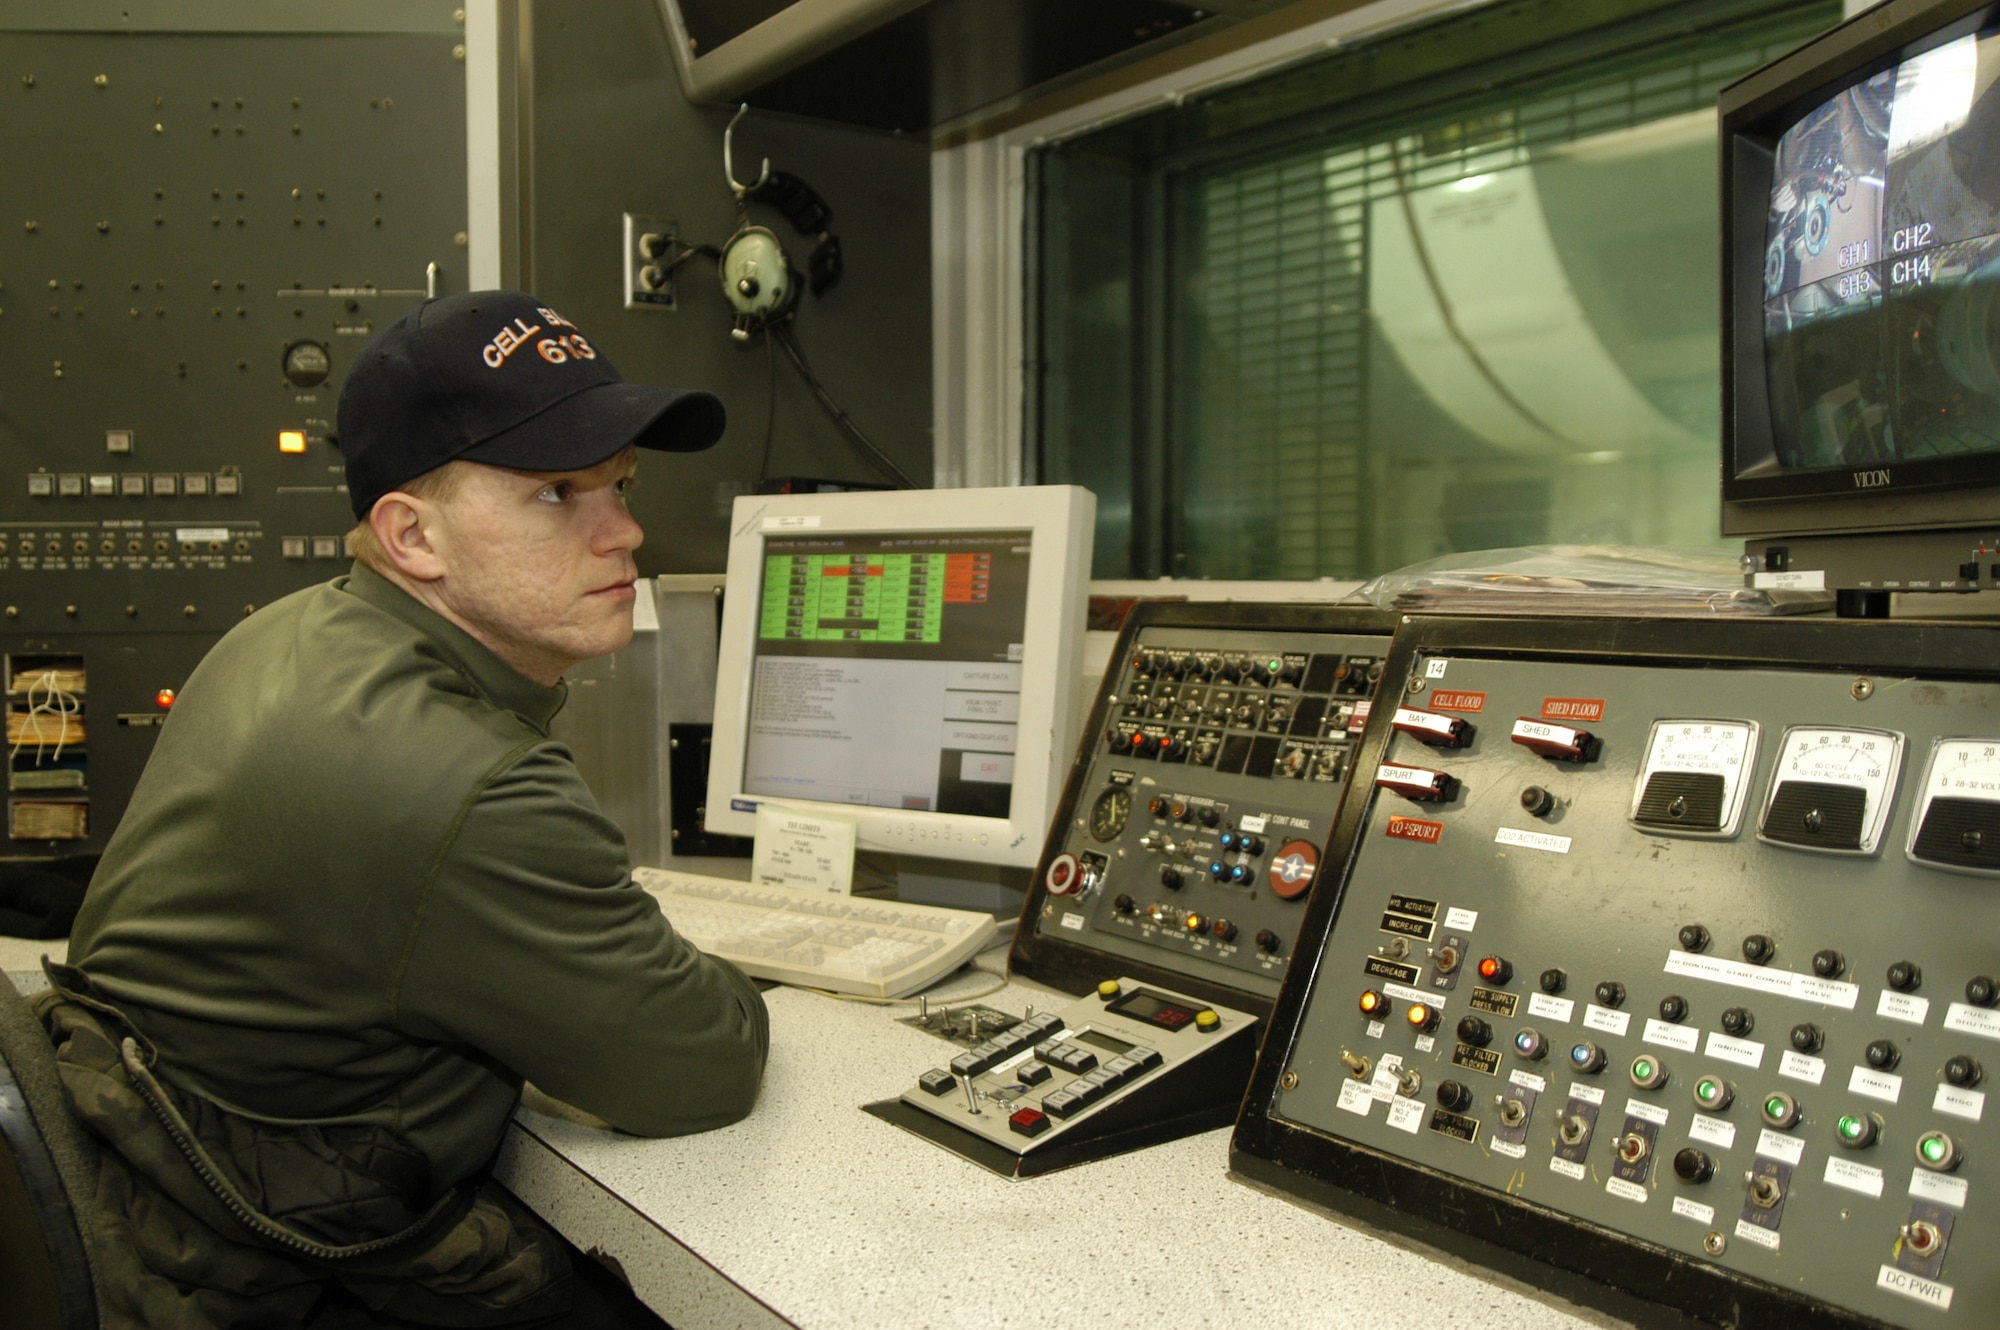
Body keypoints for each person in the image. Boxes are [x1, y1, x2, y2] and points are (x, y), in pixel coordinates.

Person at [37, 290, 770, 1329]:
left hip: (173, 1195)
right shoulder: (463, 777)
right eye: (559, 493)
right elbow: (701, 1069)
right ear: (411, 535)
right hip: (272, 1282)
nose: (627, 531)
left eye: (621, 482)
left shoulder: (286, 634)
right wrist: (731, 976)